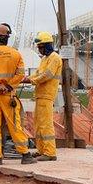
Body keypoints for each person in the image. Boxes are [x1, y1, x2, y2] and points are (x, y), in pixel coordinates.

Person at [0, 23, 36, 165]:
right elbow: (21, 74)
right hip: (8, 95)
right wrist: (8, 86)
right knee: (14, 125)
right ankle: (25, 154)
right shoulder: (15, 54)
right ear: (7, 38)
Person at [22, 32, 62, 161]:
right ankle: (41, 150)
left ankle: (50, 153)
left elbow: (47, 75)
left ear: (47, 46)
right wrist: (27, 78)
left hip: (47, 95)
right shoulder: (44, 59)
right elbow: (38, 73)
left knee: (45, 124)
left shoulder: (55, 58)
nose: (39, 50)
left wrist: (31, 81)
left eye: (41, 47)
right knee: (38, 124)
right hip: (40, 95)